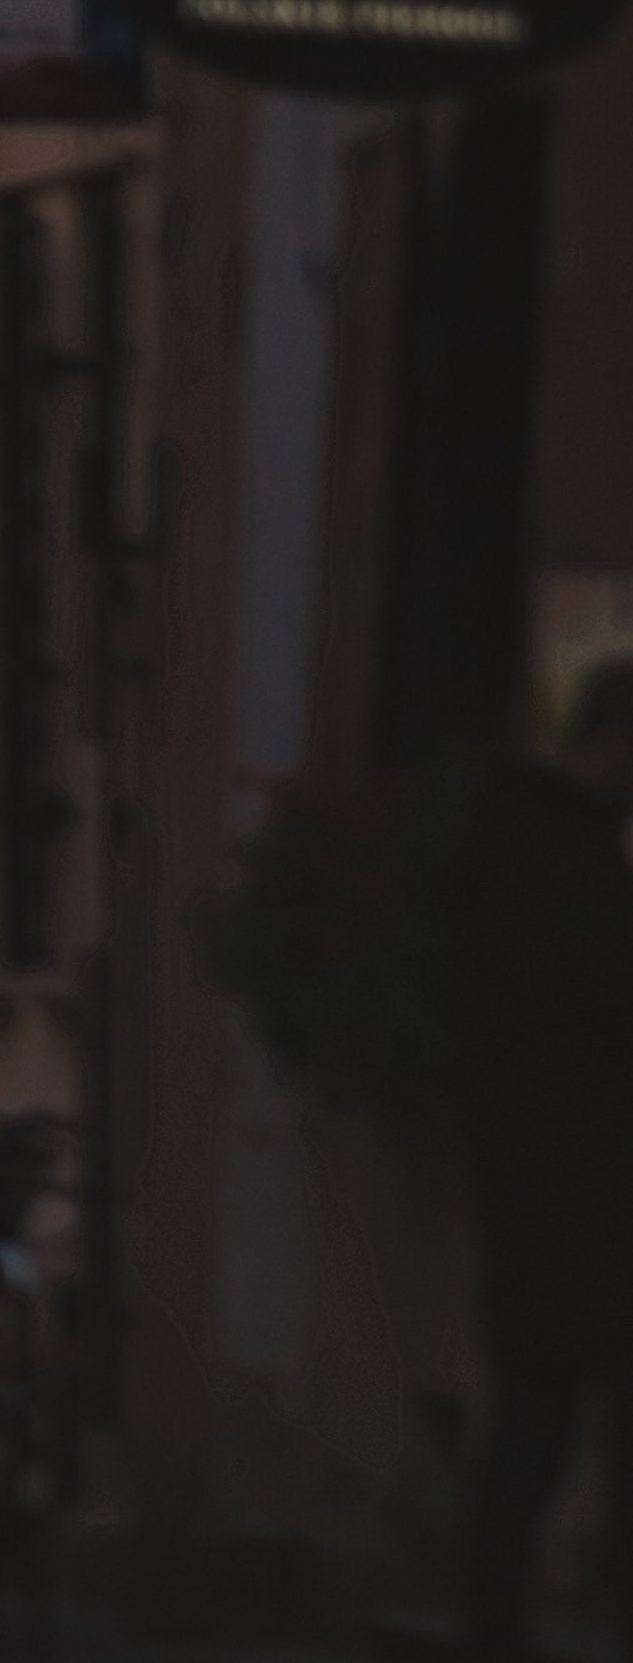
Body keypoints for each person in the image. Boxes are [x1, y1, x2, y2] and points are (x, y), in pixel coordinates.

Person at [451, 659, 633, 1659]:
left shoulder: (534, 849)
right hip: (570, 1191)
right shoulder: (562, 860)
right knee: (541, 1416)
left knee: (538, 1413)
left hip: (547, 1189)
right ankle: (499, 1623)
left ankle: (499, 1622)